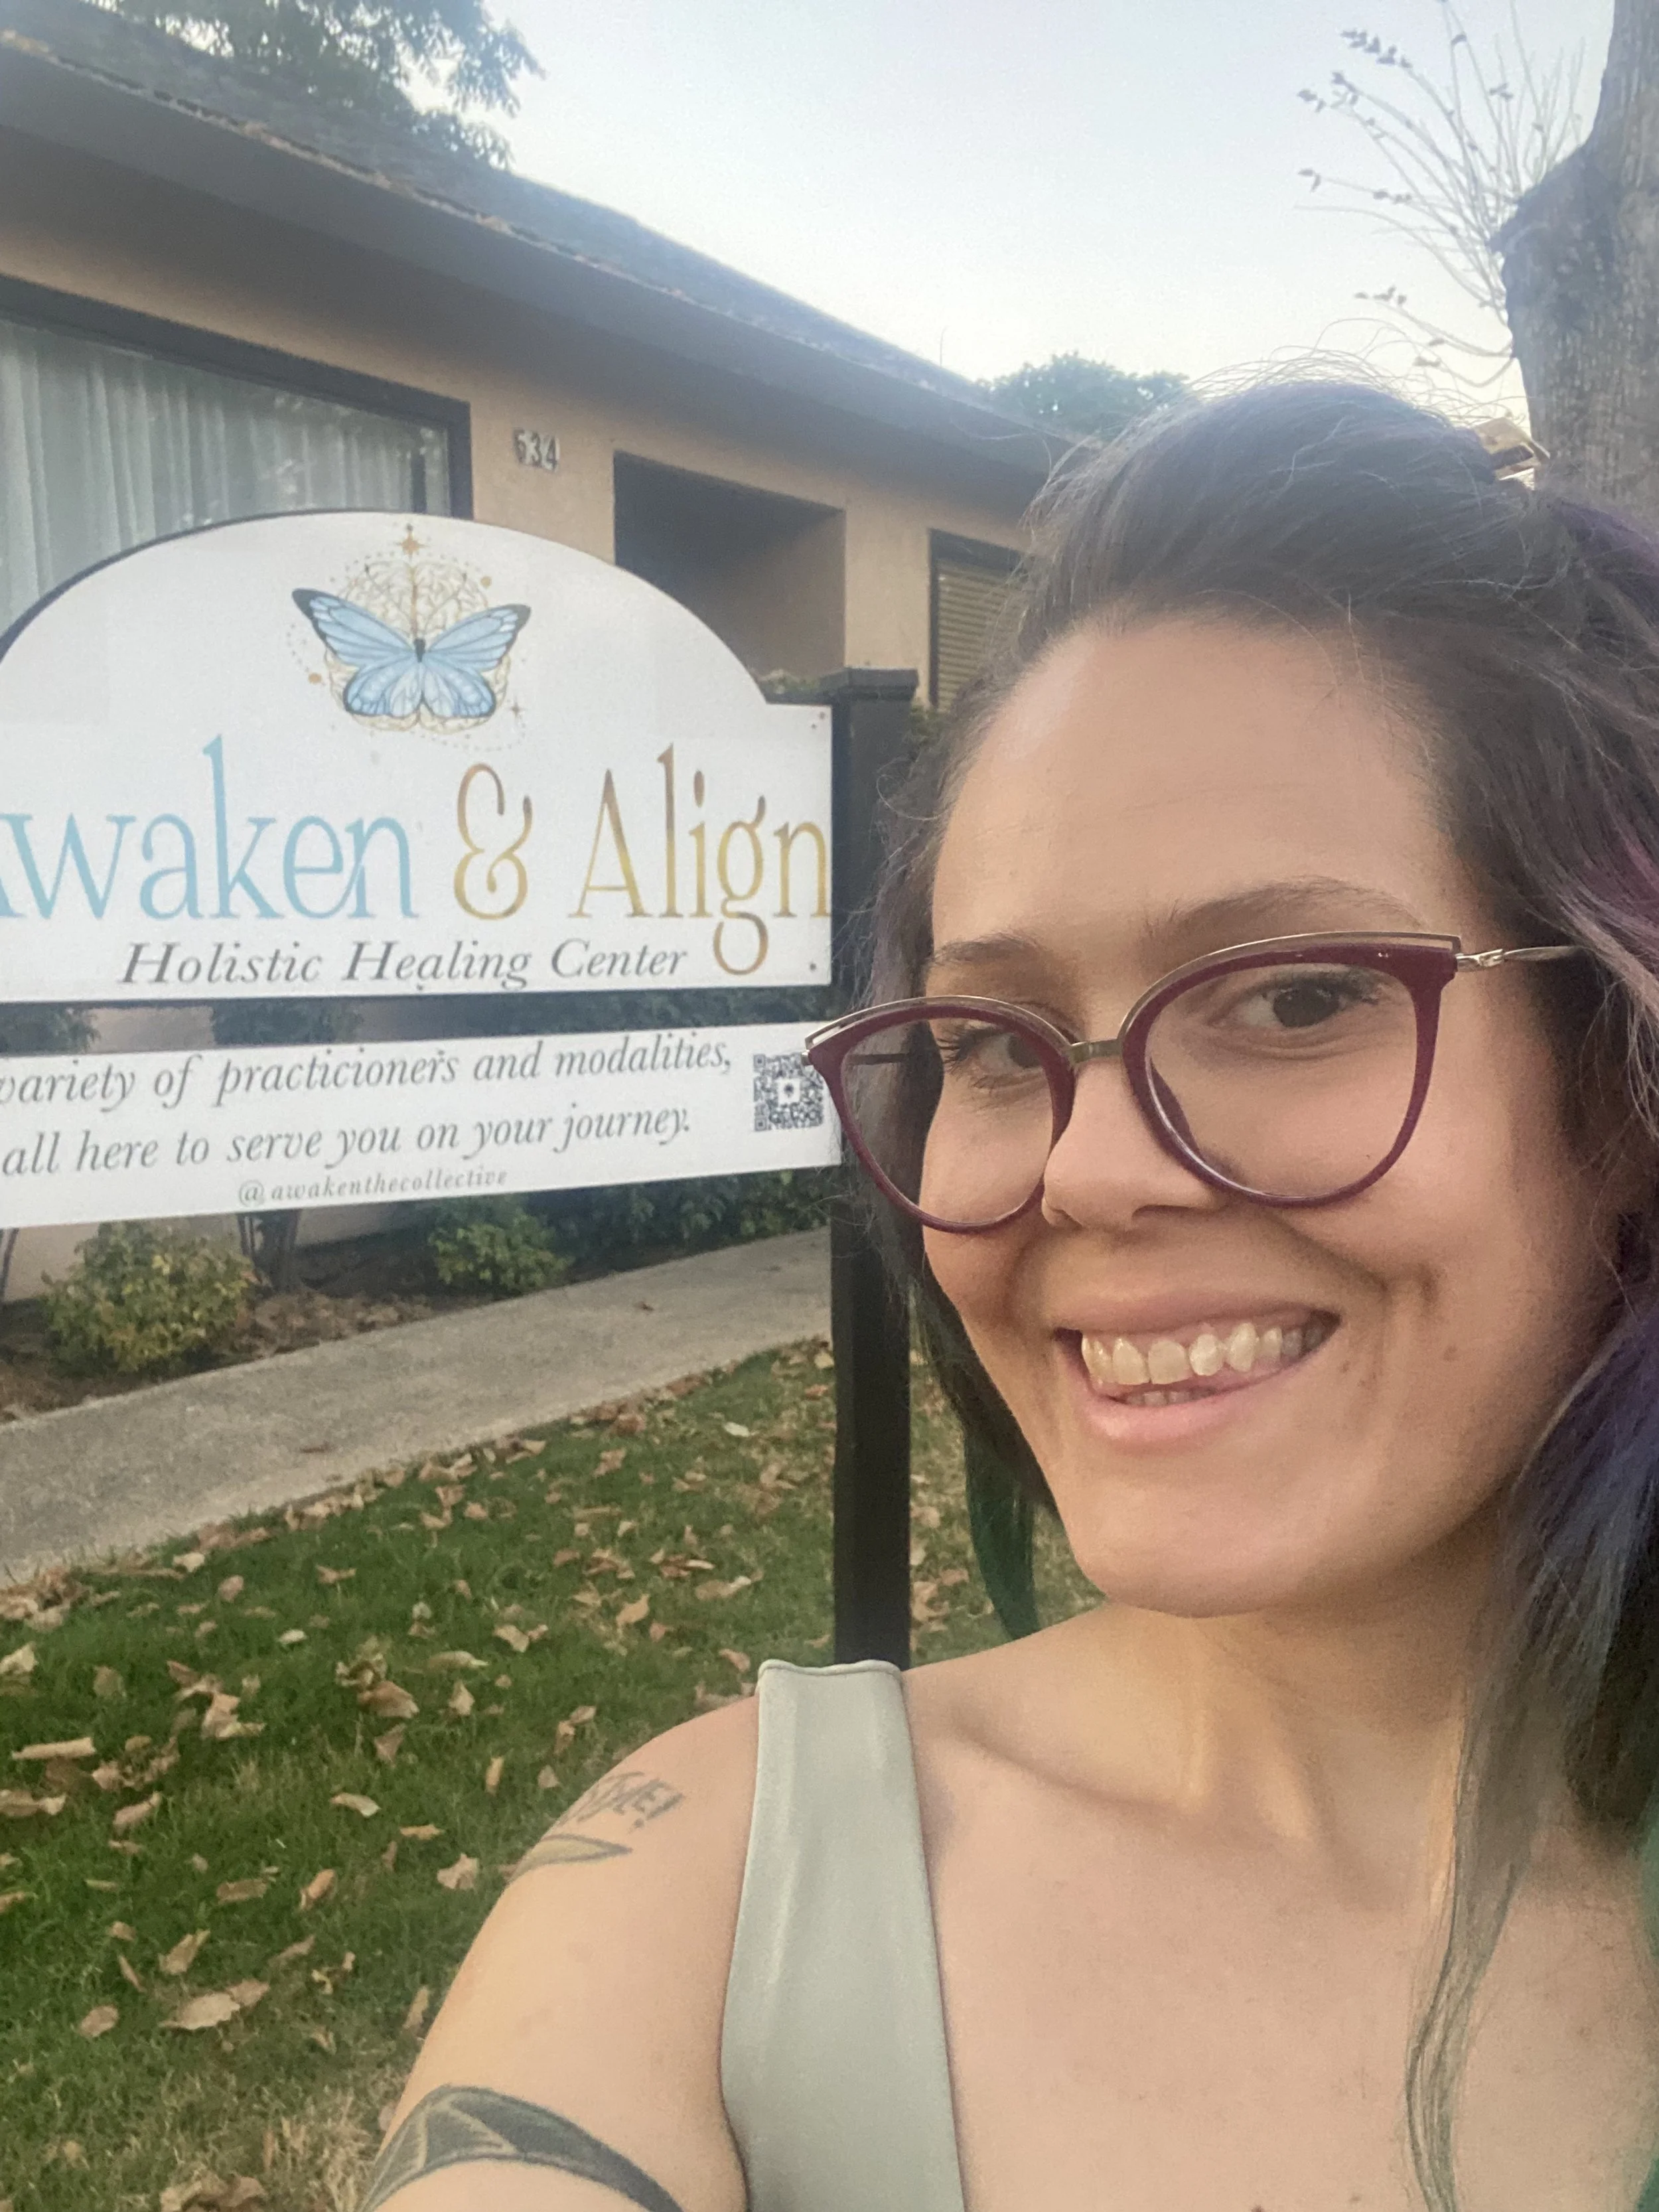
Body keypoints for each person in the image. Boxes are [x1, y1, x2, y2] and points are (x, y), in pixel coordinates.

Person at [362, 382, 1659, 2212]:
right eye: (988, 1039)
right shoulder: (709, 1914)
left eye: (1291, 996)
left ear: (1618, 1077)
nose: (1086, 1167)